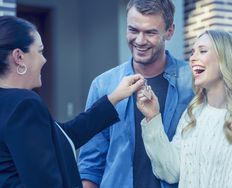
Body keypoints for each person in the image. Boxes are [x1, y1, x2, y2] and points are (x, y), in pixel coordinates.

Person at [78, 1, 232, 188]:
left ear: (169, 31)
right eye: (133, 30)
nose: (139, 40)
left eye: (150, 32)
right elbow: (90, 164)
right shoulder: (104, 85)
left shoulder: (194, 82)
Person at [0, 15, 144, 188]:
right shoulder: (25, 105)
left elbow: (63, 136)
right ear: (19, 57)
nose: (44, 59)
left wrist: (114, 98)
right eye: (39, 51)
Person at [137, 30, 232, 187]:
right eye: (192, 52)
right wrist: (153, 117)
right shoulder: (192, 115)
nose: (192, 58)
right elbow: (171, 172)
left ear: (227, 59)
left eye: (203, 51)